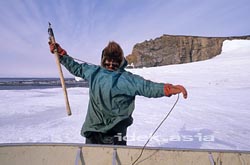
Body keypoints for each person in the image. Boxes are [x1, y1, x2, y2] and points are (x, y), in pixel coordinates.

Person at [49, 41, 188, 145]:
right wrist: (61, 55)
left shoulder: (127, 79)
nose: (110, 66)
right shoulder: (94, 72)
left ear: (120, 62)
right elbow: (76, 68)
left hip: (116, 133)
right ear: (103, 60)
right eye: (108, 63)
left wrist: (168, 89)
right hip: (93, 130)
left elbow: (147, 87)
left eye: (114, 64)